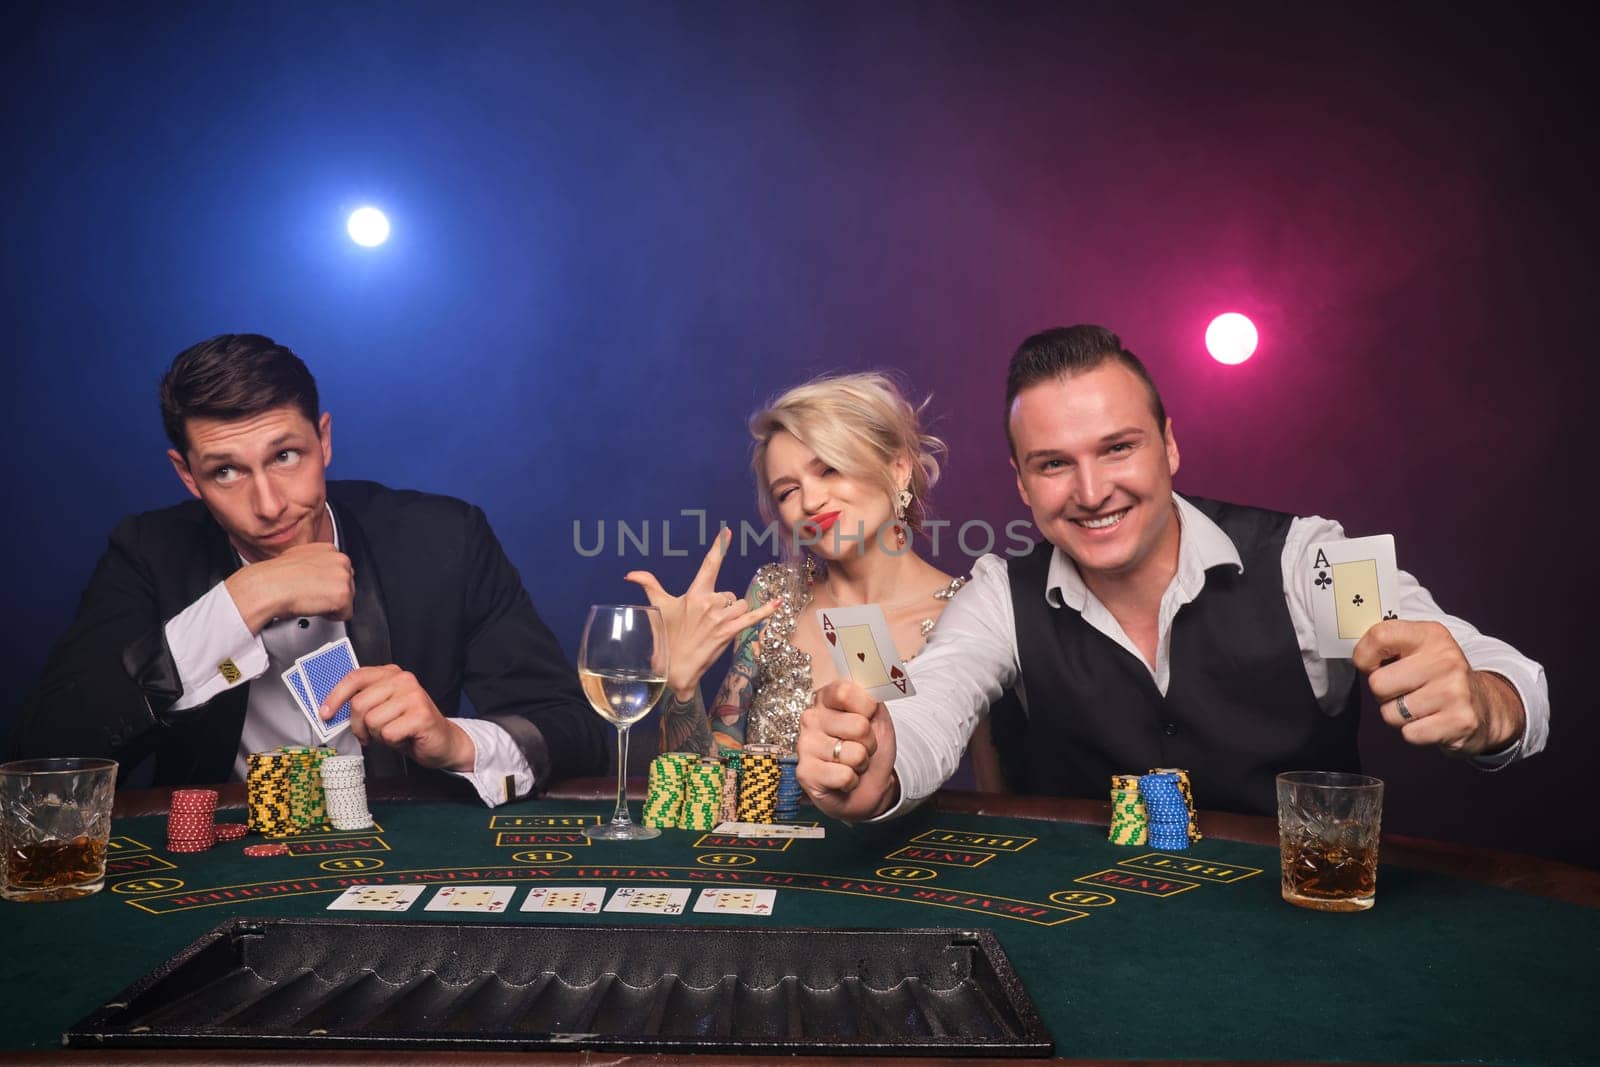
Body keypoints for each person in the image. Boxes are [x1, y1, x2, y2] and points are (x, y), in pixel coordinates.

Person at [796, 325, 1549, 819]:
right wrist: (882, 763)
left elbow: (1498, 670)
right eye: (1055, 464)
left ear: (1169, 446)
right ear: (1023, 484)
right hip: (1093, 932)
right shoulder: (1001, 593)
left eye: (1118, 448)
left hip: (1308, 927)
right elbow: (933, 704)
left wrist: (1485, 701)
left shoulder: (1307, 560)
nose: (1092, 493)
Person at [10, 334, 608, 804]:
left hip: (401, 847)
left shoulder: (442, 537)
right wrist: (242, 600)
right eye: (226, 472)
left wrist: (454, 743)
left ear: (324, 440)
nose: (268, 505)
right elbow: (44, 753)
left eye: (286, 456)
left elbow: (577, 733)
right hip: (221, 863)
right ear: (187, 475)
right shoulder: (148, 550)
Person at [626, 372, 996, 772]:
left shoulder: (969, 611)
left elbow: (998, 797)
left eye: (830, 469)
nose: (812, 501)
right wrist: (680, 687)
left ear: (898, 468)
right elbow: (714, 783)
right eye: (787, 492)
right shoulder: (772, 597)